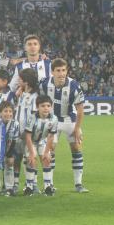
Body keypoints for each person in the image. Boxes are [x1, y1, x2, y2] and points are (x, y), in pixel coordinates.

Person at [40, 58, 88, 193]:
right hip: (52, 119)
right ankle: (49, 184)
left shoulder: (74, 85)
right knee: (50, 149)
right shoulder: (44, 84)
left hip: (69, 119)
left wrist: (77, 128)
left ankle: (78, 184)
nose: (61, 74)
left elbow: (80, 110)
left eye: (63, 70)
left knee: (76, 147)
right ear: (52, 72)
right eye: (58, 71)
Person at [24, 95, 59, 196]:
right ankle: (29, 187)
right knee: (32, 160)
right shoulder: (32, 118)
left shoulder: (54, 119)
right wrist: (31, 152)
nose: (46, 108)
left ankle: (48, 186)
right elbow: (28, 136)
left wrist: (46, 152)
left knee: (46, 159)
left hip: (43, 141)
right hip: (31, 142)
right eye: (43, 106)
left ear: (51, 107)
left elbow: (51, 136)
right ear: (37, 107)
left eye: (48, 106)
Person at [13, 68, 39, 192]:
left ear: (26, 82)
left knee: (30, 158)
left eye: (20, 79)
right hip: (18, 132)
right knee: (17, 158)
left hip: (28, 134)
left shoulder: (35, 97)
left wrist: (27, 132)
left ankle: (33, 184)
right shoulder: (22, 94)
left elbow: (34, 116)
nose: (18, 80)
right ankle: (16, 184)